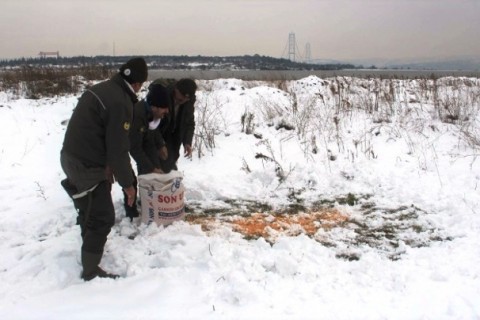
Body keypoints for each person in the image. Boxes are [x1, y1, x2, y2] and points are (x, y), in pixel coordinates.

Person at [60, 57, 148, 281]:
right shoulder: (120, 102)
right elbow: (118, 149)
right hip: (85, 165)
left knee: (91, 209)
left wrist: (109, 166)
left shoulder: (103, 89)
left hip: (72, 157)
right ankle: (90, 270)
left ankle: (90, 248)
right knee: (102, 217)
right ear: (138, 83)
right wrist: (129, 185)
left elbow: (101, 135)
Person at [124, 83, 170, 220]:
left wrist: (161, 145)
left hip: (145, 141)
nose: (166, 112)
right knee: (128, 179)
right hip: (120, 147)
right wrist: (151, 168)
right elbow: (135, 148)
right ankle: (131, 212)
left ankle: (150, 203)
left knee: (155, 169)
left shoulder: (153, 113)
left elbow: (153, 131)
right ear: (154, 106)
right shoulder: (136, 115)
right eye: (164, 109)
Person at [152, 78, 197, 173]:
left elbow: (189, 122)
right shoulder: (162, 94)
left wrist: (187, 142)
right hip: (156, 134)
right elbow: (151, 122)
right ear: (175, 89)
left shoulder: (189, 102)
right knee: (152, 167)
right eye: (179, 99)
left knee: (169, 166)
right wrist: (160, 144)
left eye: (185, 100)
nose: (181, 101)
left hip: (174, 136)